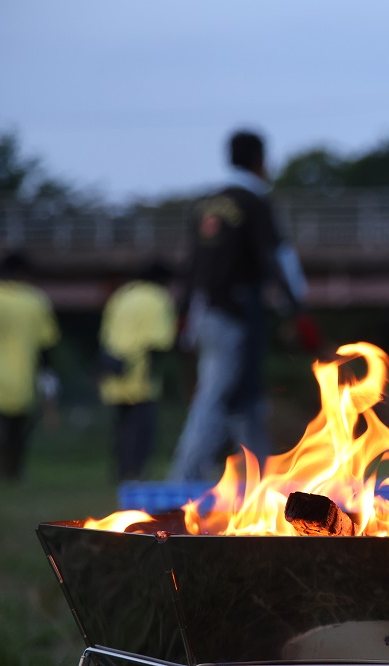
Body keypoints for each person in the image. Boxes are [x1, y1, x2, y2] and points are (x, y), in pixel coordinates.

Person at [167, 129, 318, 481]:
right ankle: (182, 479)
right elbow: (276, 256)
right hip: (234, 313)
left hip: (207, 311)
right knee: (216, 396)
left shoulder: (206, 203)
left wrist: (183, 315)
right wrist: (297, 310)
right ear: (260, 159)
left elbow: (191, 265)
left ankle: (260, 481)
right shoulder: (254, 201)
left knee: (247, 398)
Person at [98, 260, 177, 481]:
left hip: (114, 370)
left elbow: (106, 334)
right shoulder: (158, 299)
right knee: (141, 428)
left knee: (120, 427)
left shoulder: (122, 295)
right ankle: (135, 471)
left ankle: (119, 470)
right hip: (140, 374)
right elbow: (159, 343)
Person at [0, 252, 60, 481]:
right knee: (16, 436)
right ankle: (12, 474)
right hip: (21, 383)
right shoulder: (34, 301)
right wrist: (48, 384)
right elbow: (46, 346)